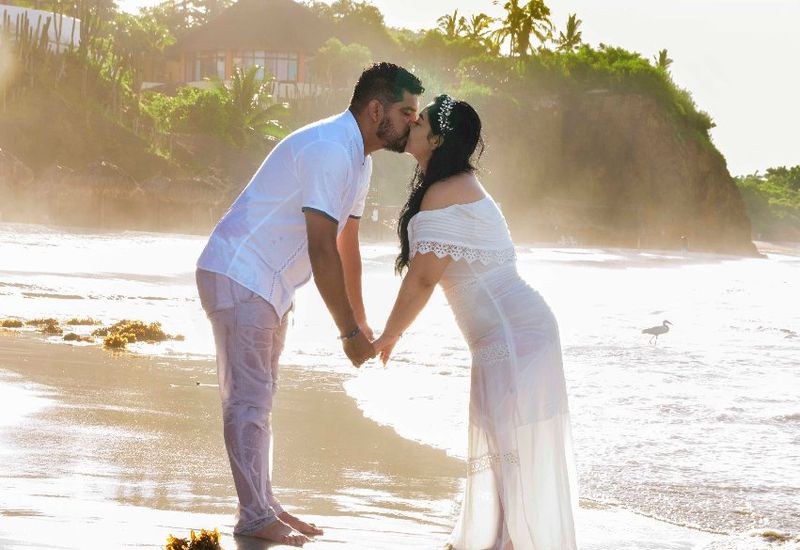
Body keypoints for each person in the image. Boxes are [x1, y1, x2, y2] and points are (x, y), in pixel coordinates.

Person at [195, 63, 423, 545]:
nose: (412, 123)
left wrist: (360, 322)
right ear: (376, 109)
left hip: (268, 283)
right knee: (248, 399)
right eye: (407, 112)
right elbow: (322, 248)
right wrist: (346, 334)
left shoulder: (360, 157)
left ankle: (262, 504)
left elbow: (347, 245)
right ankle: (255, 516)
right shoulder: (329, 149)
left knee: (260, 398)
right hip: (241, 272)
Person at [373, 95, 579, 550]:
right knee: (504, 447)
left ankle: (508, 544)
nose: (411, 121)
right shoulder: (454, 185)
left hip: (512, 336)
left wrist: (390, 333)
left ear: (437, 139)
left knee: (507, 449)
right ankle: (502, 541)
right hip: (516, 332)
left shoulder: (444, 194)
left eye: (420, 120)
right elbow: (425, 276)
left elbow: (424, 279)